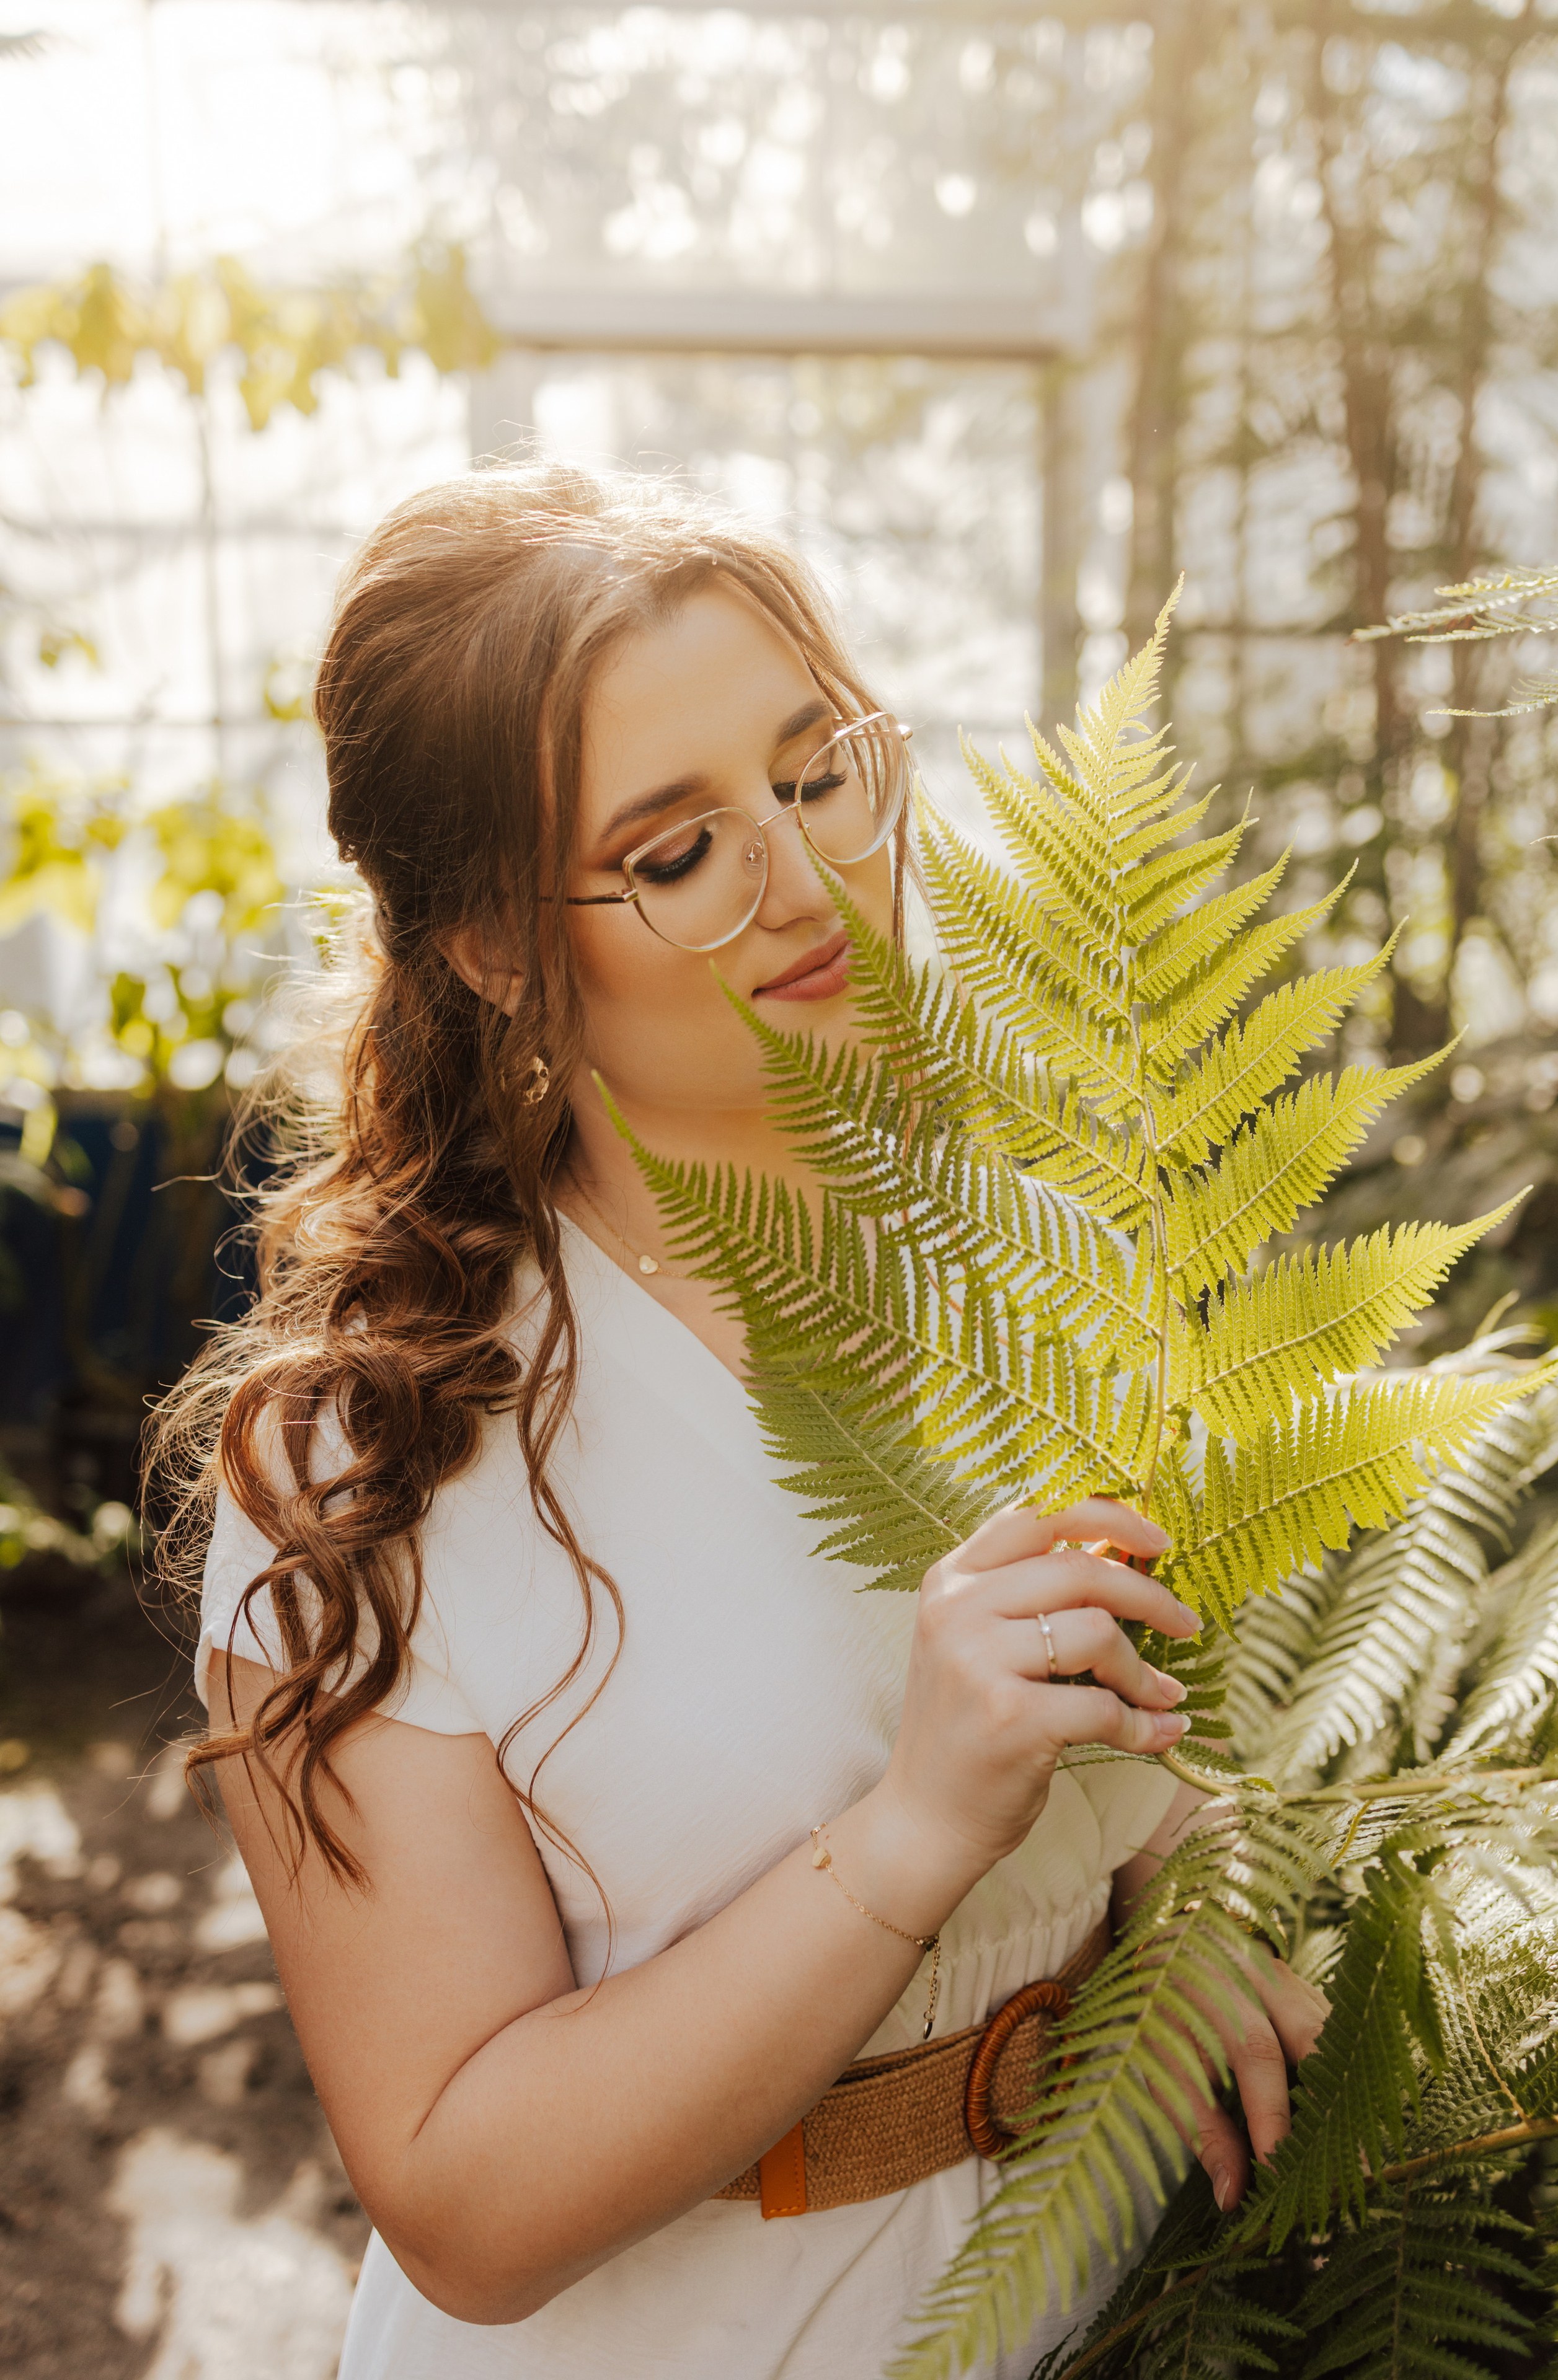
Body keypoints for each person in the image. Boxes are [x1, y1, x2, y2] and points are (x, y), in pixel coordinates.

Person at [149, 462, 1326, 2380]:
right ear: (500, 951)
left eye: (816, 769)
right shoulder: (366, 1467)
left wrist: (1193, 1922)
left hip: (1102, 2301)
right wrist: (919, 1824)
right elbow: (462, 2201)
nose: (807, 879)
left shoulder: (1054, 1245)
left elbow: (1164, 1784)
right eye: (677, 849)